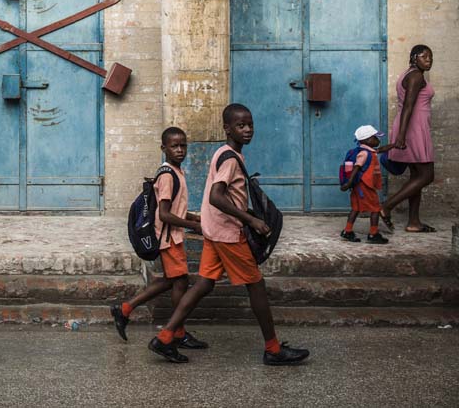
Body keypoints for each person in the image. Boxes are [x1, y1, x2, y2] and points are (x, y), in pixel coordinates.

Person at [147, 104, 309, 366]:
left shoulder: (224, 153)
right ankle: (273, 349)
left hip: (214, 229)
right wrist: (251, 219)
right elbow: (216, 196)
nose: (247, 130)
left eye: (250, 124)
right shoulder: (231, 158)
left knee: (203, 284)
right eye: (240, 125)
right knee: (256, 285)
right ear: (227, 128)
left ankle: (165, 337)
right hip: (226, 232)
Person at [109, 127, 206, 349]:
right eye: (174, 146)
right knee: (180, 281)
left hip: (173, 236)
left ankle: (124, 309)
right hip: (168, 238)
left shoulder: (176, 171)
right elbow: (163, 214)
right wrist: (194, 226)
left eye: (183, 146)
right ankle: (177, 333)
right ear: (164, 149)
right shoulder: (167, 175)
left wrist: (196, 219)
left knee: (172, 281)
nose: (180, 150)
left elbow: (175, 209)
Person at [381, 45, 436, 233]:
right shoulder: (416, 76)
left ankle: (414, 222)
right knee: (427, 175)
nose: (428, 60)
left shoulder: (410, 73)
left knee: (417, 176)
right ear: (414, 58)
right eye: (424, 56)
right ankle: (387, 206)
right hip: (413, 128)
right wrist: (401, 136)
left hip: (411, 127)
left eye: (430, 57)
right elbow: (408, 107)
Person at [340, 125, 393, 245]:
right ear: (367, 140)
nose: (378, 140)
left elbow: (382, 149)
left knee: (355, 208)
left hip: (359, 187)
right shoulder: (365, 153)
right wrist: (348, 183)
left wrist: (394, 145)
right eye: (375, 137)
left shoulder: (367, 150)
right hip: (365, 186)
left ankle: (347, 231)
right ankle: (373, 234)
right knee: (375, 209)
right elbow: (356, 168)